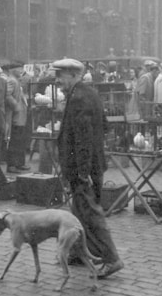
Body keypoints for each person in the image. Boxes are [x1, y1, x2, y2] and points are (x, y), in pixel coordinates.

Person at [53, 58, 124, 279]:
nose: (57, 81)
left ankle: (112, 259)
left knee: (91, 213)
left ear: (74, 76)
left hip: (83, 169)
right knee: (80, 211)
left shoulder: (78, 98)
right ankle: (79, 252)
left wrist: (83, 172)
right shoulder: (88, 93)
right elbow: (104, 125)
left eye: (61, 76)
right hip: (91, 165)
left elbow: (83, 140)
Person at [3, 61, 30, 174]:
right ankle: (12, 165)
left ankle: (18, 163)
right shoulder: (11, 81)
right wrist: (16, 106)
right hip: (15, 116)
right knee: (14, 140)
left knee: (19, 140)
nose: (21, 71)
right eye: (19, 69)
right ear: (13, 70)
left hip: (20, 116)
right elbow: (7, 95)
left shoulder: (16, 81)